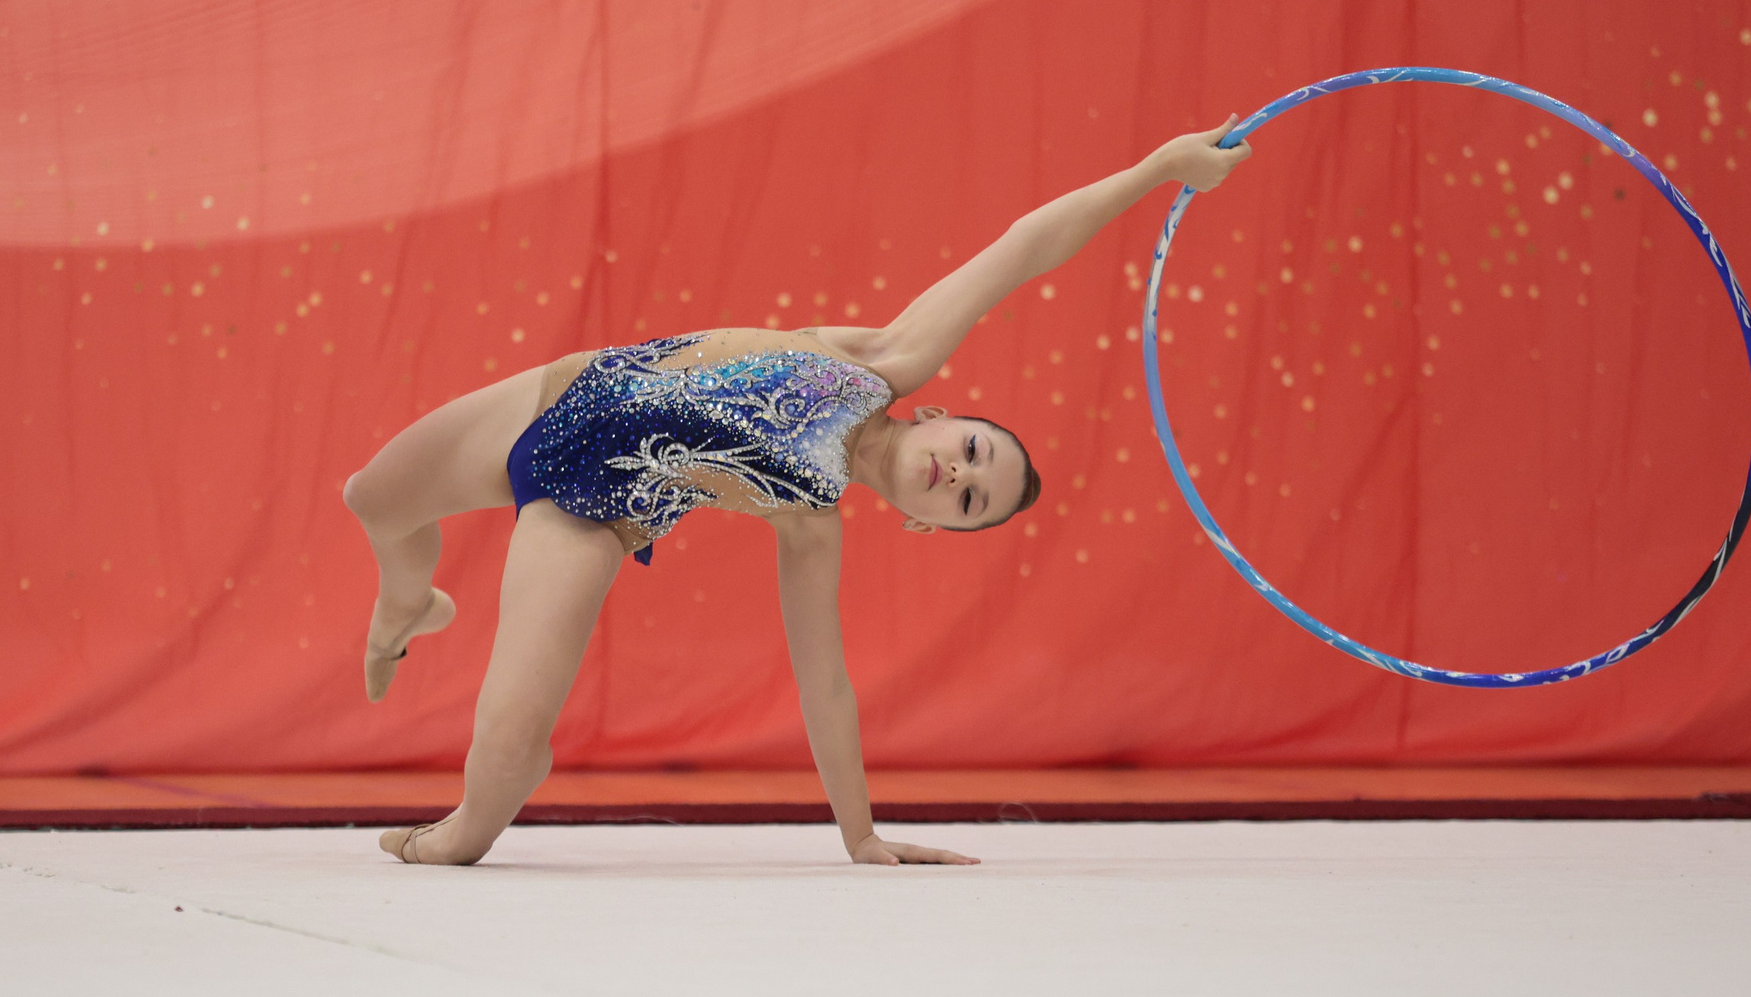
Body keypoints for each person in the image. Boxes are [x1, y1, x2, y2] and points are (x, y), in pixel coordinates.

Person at [341, 115, 1253, 866]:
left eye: (970, 499)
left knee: (503, 762)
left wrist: (861, 835)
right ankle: (407, 603)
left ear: (927, 525)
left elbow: (826, 688)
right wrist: (1159, 168)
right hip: (554, 397)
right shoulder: (883, 360)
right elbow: (1024, 250)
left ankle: (445, 834)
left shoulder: (811, 521)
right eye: (974, 451)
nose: (961, 474)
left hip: (588, 513)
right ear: (940, 413)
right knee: (372, 498)